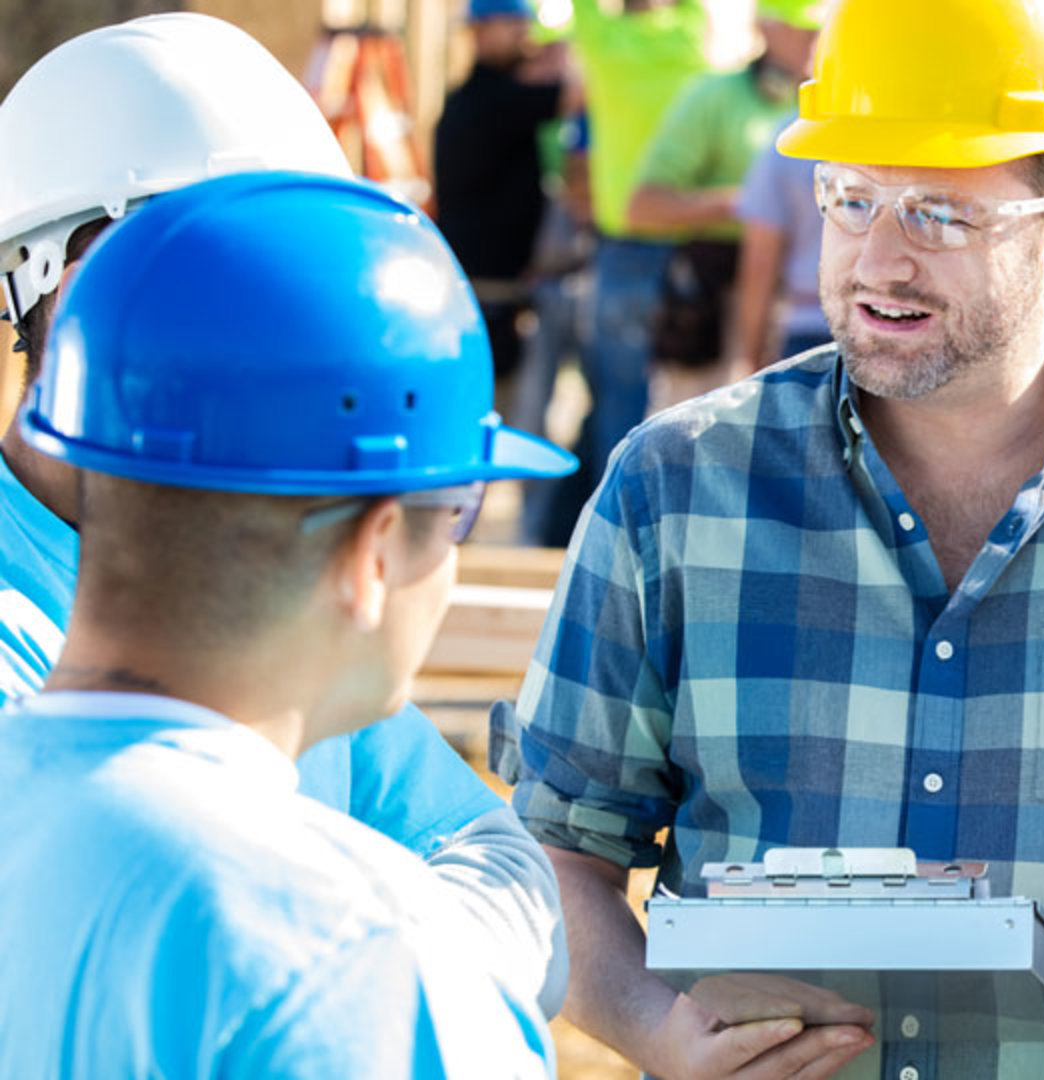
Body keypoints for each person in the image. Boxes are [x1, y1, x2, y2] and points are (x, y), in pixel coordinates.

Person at [492, 0, 1044, 1075]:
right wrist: (657, 1031)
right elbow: (561, 850)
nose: (879, 262)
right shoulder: (674, 486)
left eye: (942, 215)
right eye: (852, 200)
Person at [0, 13, 569, 1016]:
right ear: (41, 289)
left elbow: (503, 866)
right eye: (174, 275)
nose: (227, 325)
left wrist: (365, 957)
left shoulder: (283, 576)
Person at [625, 0, 823, 411]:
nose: (815, 40)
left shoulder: (831, 109)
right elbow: (641, 207)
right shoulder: (711, 97)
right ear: (766, 27)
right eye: (802, 29)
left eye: (821, 29)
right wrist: (745, 204)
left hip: (785, 312)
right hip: (711, 304)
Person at [568, 0, 713, 484]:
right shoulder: (690, 37)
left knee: (619, 401)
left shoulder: (603, 43)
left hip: (625, 251)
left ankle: (617, 522)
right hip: (693, 251)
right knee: (694, 404)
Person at [433, 0, 578, 406]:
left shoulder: (491, 97)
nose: (525, 37)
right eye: (514, 26)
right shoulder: (488, 101)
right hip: (487, 297)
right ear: (481, 32)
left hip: (493, 292)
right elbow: (576, 94)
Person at [725, 125, 834, 371]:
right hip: (896, 325)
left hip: (806, 328)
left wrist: (752, 358)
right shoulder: (903, 129)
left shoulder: (790, 139)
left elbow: (760, 265)